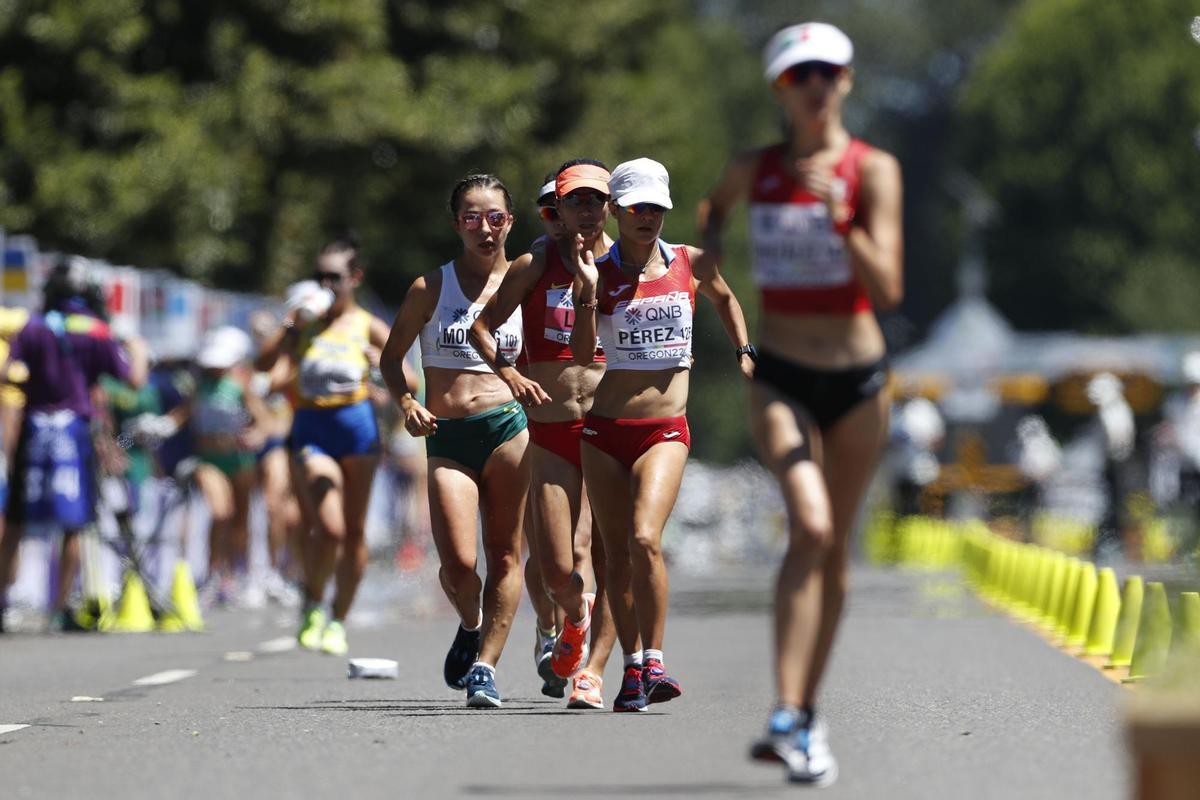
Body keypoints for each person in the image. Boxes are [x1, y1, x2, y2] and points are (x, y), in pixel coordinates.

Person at [699, 22, 904, 786]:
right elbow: (711, 207)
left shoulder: (872, 169)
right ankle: (785, 711)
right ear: (781, 90)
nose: (814, 88)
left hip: (857, 379)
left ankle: (806, 717)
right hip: (781, 371)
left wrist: (842, 219)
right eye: (798, 77)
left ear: (846, 81)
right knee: (809, 526)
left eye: (827, 74)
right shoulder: (755, 168)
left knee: (836, 547)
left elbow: (888, 290)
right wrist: (712, 250)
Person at [571, 157, 752, 711]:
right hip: (604, 432)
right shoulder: (598, 269)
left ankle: (655, 657)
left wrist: (744, 350)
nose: (647, 217)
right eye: (636, 208)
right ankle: (630, 671)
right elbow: (582, 354)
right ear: (617, 211)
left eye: (656, 208)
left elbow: (725, 297)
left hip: (665, 430)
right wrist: (586, 291)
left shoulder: (689, 262)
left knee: (646, 537)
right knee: (615, 558)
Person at [469, 162, 620, 709]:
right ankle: (572, 621)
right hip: (553, 429)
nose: (584, 212)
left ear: (609, 206)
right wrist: (509, 371)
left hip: (610, 430)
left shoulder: (626, 261)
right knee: (559, 569)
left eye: (594, 202)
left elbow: (675, 307)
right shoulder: (537, 262)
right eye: (572, 203)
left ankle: (595, 672)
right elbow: (480, 326)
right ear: (556, 208)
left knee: (606, 558)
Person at [380, 174, 529, 708]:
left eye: (494, 217)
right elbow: (390, 360)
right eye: (471, 217)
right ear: (456, 224)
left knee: (506, 556)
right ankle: (471, 623)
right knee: (459, 565)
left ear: (510, 221)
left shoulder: (524, 283)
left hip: (510, 428)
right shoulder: (431, 287)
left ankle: (485, 669)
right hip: (447, 434)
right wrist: (406, 402)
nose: (484, 228)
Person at [254, 237, 391, 656]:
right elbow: (261, 366)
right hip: (313, 431)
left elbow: (411, 379)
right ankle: (312, 600)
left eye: (335, 277)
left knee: (353, 534)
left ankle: (337, 618)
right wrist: (289, 325)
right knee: (328, 528)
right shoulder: (304, 324)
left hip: (358, 433)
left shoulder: (367, 324)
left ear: (354, 278)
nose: (327, 284)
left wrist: (379, 367)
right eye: (320, 276)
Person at [0, 258, 148, 632]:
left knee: (16, 520)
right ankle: (58, 608)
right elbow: (131, 379)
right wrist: (137, 346)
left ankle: (2, 603)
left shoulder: (34, 327)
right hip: (75, 432)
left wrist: (33, 387)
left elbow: (7, 373)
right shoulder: (97, 332)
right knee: (75, 521)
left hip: (34, 432)